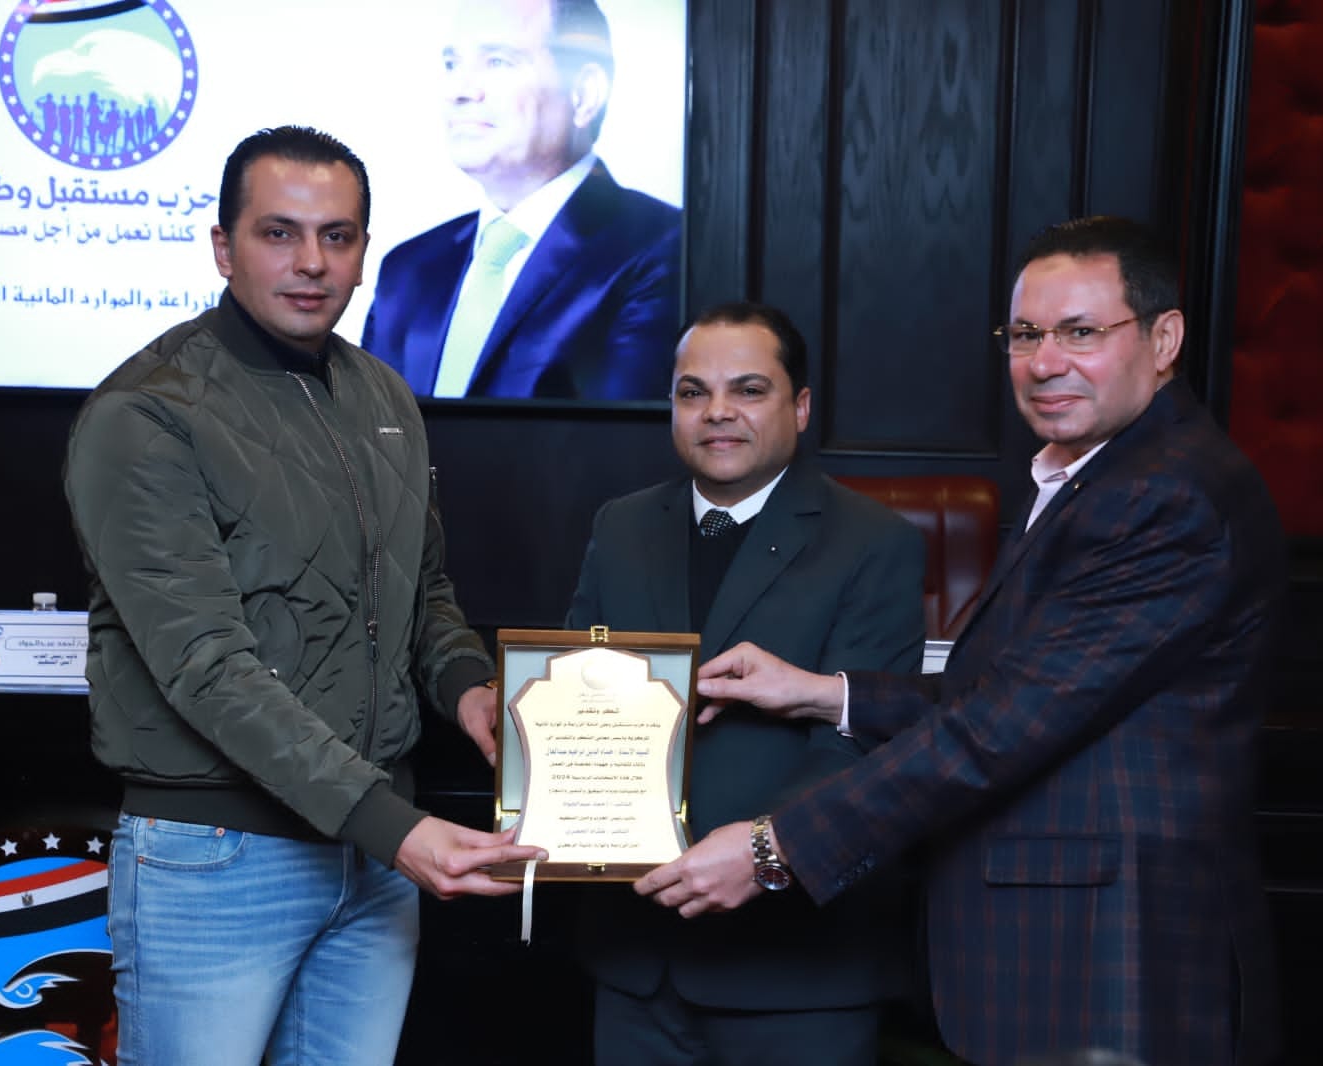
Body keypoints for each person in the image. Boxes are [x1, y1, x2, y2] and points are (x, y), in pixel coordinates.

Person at [635, 217, 1288, 1066]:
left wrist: (774, 847)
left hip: (1108, 952)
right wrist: (825, 694)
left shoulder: (1164, 495)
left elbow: (999, 729)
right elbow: (1013, 691)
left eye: (1080, 332)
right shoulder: (1098, 475)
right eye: (1025, 334)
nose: (1044, 362)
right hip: (1058, 948)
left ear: (1164, 339)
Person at [63, 125, 545, 1066]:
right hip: (221, 854)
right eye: (279, 233)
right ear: (223, 247)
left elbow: (422, 592)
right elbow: (207, 668)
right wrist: (396, 831)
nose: (312, 262)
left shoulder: (383, 396)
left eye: (337, 236)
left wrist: (468, 689)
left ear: (364, 251)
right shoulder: (145, 414)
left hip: (373, 857)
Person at [476, 302, 926, 1063]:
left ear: (800, 407)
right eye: (693, 392)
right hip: (634, 959)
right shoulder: (622, 525)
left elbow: (865, 744)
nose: (718, 411)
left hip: (796, 969)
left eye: (748, 390)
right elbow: (577, 698)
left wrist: (763, 853)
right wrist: (533, 756)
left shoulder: (874, 542)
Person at [363, 0, 681, 400]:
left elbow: (620, 435)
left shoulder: (663, 248)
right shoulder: (408, 269)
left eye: (498, 61)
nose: (460, 91)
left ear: (584, 94)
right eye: (451, 64)